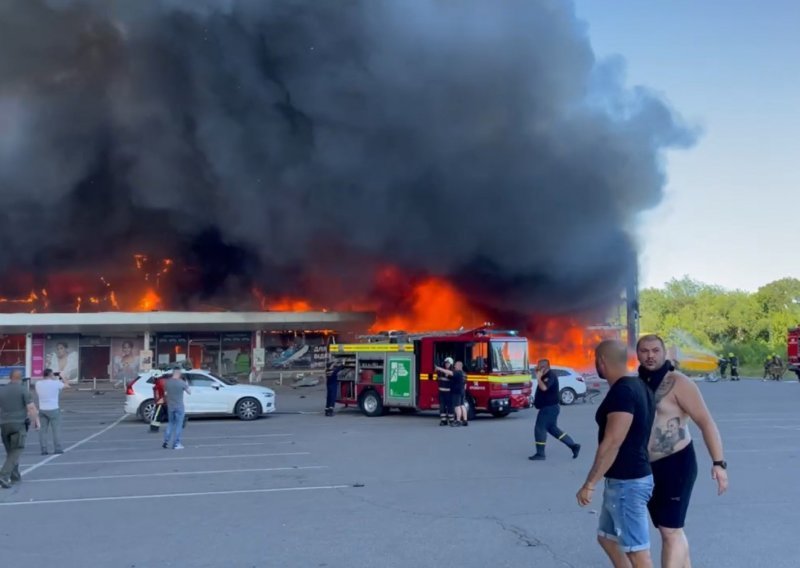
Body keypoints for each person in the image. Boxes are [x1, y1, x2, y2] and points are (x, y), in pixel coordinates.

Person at [637, 334, 728, 568]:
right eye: (644, 350)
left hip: (676, 463)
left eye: (655, 350)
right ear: (637, 354)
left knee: (670, 531)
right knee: (671, 530)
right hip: (647, 466)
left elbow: (706, 422)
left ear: (664, 353)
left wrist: (719, 463)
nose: (650, 355)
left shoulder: (679, 383)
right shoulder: (637, 382)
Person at [577, 340, 656, 568]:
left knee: (638, 553)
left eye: (595, 361)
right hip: (625, 481)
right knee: (607, 538)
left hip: (627, 484)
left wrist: (590, 483)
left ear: (601, 361)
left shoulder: (623, 392)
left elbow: (612, 442)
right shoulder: (640, 387)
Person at [529, 358, 580, 461]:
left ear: (544, 367)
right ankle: (573, 445)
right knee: (553, 429)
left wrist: (538, 378)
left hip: (549, 408)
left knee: (539, 429)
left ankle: (540, 454)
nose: (537, 369)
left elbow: (544, 388)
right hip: (550, 408)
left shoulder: (550, 376)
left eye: (539, 367)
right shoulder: (545, 376)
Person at [0, 370, 41, 488]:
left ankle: (15, 476)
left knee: (10, 452)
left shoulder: (2, 390)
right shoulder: (23, 390)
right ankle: (4, 475)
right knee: (16, 450)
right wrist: (36, 421)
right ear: (21, 378)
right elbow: (31, 408)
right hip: (18, 424)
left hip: (4, 424)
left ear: (10, 377)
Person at [35, 368, 69, 455]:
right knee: (56, 430)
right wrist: (63, 376)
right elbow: (67, 385)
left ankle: (43, 449)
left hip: (42, 409)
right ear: (50, 375)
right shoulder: (56, 383)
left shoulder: (38, 384)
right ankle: (57, 448)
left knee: (43, 430)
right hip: (54, 409)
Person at [162, 369, 191, 450]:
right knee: (178, 425)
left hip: (170, 406)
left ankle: (166, 441)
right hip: (179, 406)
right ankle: (176, 443)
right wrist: (186, 385)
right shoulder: (181, 382)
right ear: (179, 374)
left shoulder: (167, 382)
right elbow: (189, 392)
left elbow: (165, 393)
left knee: (170, 423)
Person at [434, 357, 454, 426]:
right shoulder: (440, 372)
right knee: (442, 406)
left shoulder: (452, 372)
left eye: (448, 363)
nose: (447, 365)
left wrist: (444, 373)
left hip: (449, 392)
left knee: (450, 406)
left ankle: (451, 420)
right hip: (441, 392)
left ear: (451, 364)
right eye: (446, 363)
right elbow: (437, 378)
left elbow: (450, 376)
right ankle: (443, 420)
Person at [450, 361, 468, 427]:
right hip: (462, 391)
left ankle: (458, 421)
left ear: (459, 366)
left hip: (457, 392)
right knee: (462, 405)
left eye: (456, 365)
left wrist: (440, 369)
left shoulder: (458, 372)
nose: (454, 366)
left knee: (457, 406)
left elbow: (450, 373)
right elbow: (465, 385)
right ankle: (465, 420)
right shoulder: (464, 374)